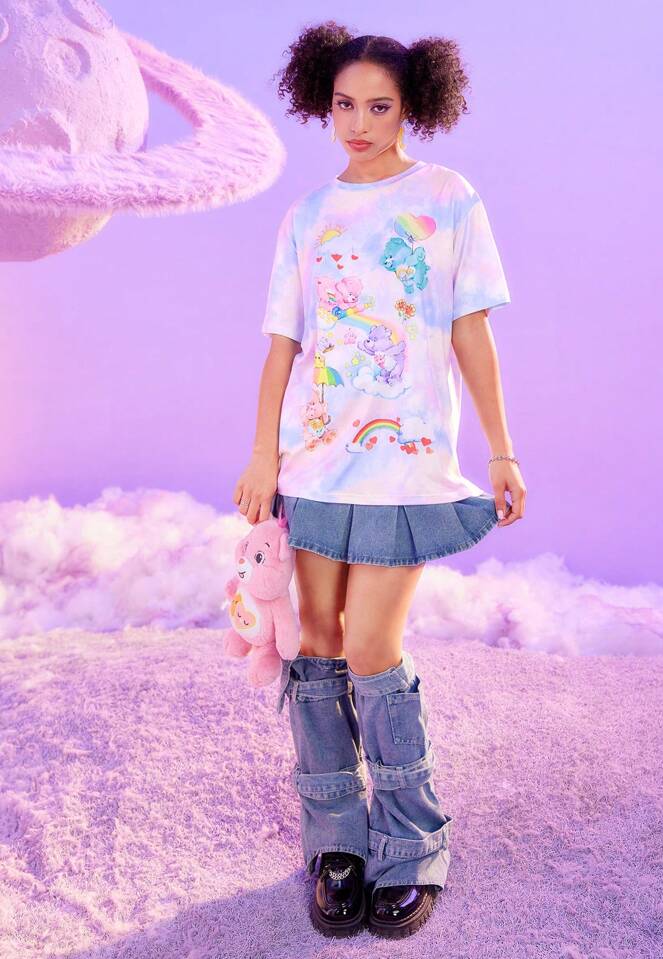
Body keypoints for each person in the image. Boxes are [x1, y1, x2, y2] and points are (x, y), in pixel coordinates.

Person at [232, 22, 527, 940]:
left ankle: (413, 840)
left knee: (369, 645)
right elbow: (282, 348)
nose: (358, 124)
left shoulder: (448, 198)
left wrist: (502, 448)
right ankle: (336, 845)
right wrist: (261, 455)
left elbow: (471, 330)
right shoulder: (308, 215)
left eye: (379, 106)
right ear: (324, 103)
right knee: (316, 642)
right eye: (344, 105)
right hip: (316, 462)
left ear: (413, 108)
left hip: (406, 464)